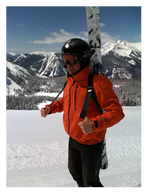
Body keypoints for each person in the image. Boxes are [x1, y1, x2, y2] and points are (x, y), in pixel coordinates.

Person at [41, 38, 125, 190]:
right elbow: (65, 102)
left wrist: (95, 124)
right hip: (73, 138)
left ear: (84, 59)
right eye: (64, 60)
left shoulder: (98, 83)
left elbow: (117, 112)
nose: (67, 65)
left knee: (91, 182)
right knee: (75, 174)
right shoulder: (70, 81)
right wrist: (50, 108)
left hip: (91, 144)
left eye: (71, 60)